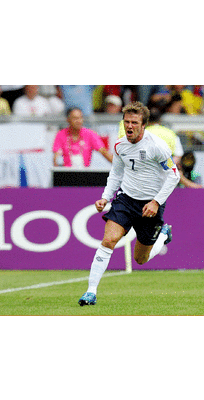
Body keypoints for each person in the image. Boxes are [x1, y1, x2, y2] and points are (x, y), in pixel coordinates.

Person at [79, 102, 180, 307]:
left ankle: (163, 235)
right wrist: (105, 197)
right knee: (108, 240)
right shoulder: (120, 145)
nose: (129, 126)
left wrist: (156, 202)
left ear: (143, 125)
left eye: (134, 122)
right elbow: (116, 174)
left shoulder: (157, 146)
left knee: (140, 259)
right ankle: (90, 292)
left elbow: (174, 176)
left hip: (150, 205)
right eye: (126, 122)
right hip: (126, 199)